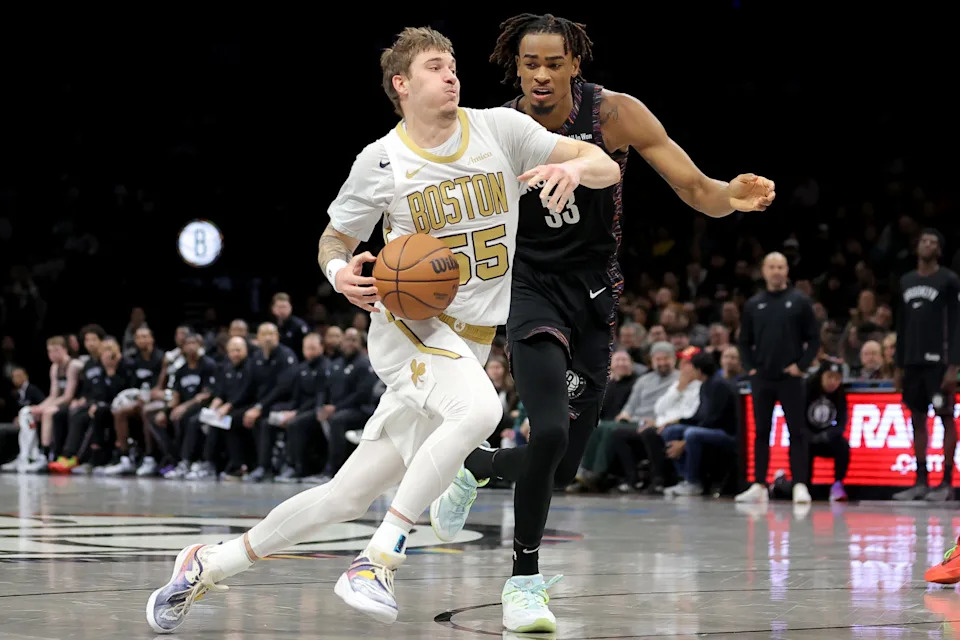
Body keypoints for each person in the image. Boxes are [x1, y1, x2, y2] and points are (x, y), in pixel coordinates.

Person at [145, 25, 619, 635]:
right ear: (401, 84)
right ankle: (378, 558)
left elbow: (602, 161)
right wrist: (341, 272)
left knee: (345, 496)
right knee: (479, 411)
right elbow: (334, 239)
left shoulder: (500, 130)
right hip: (408, 325)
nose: (451, 74)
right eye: (433, 67)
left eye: (452, 65)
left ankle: (206, 566)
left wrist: (578, 169)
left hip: (469, 339)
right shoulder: (383, 160)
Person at [427, 12, 775, 633]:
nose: (540, 74)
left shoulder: (614, 114)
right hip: (529, 289)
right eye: (529, 63)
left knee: (560, 467)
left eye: (553, 63)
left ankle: (477, 466)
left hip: (593, 293)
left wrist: (731, 197)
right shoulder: (499, 130)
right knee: (551, 433)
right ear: (517, 67)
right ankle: (524, 583)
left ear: (574, 66)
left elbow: (694, 187)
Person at [736, 252, 820, 504]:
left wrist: (801, 366)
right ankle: (759, 484)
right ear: (763, 271)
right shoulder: (753, 304)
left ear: (787, 271)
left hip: (790, 378)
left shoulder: (799, 301)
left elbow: (814, 339)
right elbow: (743, 341)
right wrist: (750, 367)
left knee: (797, 431)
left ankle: (800, 484)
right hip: (762, 377)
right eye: (771, 267)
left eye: (780, 267)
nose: (776, 271)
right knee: (762, 431)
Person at [893, 229, 960, 502]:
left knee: (945, 418)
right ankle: (920, 481)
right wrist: (898, 364)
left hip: (940, 363)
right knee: (917, 420)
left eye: (933, 242)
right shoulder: (906, 281)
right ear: (916, 246)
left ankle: (945, 483)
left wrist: (954, 365)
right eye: (923, 240)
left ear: (939, 250)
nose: (927, 244)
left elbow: (957, 324)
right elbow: (901, 325)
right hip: (912, 363)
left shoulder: (949, 280)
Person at [805, 360, 849, 502]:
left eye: (837, 378)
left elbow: (842, 424)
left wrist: (826, 435)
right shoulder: (807, 388)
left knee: (843, 445)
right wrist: (810, 436)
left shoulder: (840, 394)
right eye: (829, 377)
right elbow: (797, 420)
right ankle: (800, 485)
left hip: (828, 439)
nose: (833, 382)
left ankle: (837, 485)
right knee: (801, 446)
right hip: (807, 439)